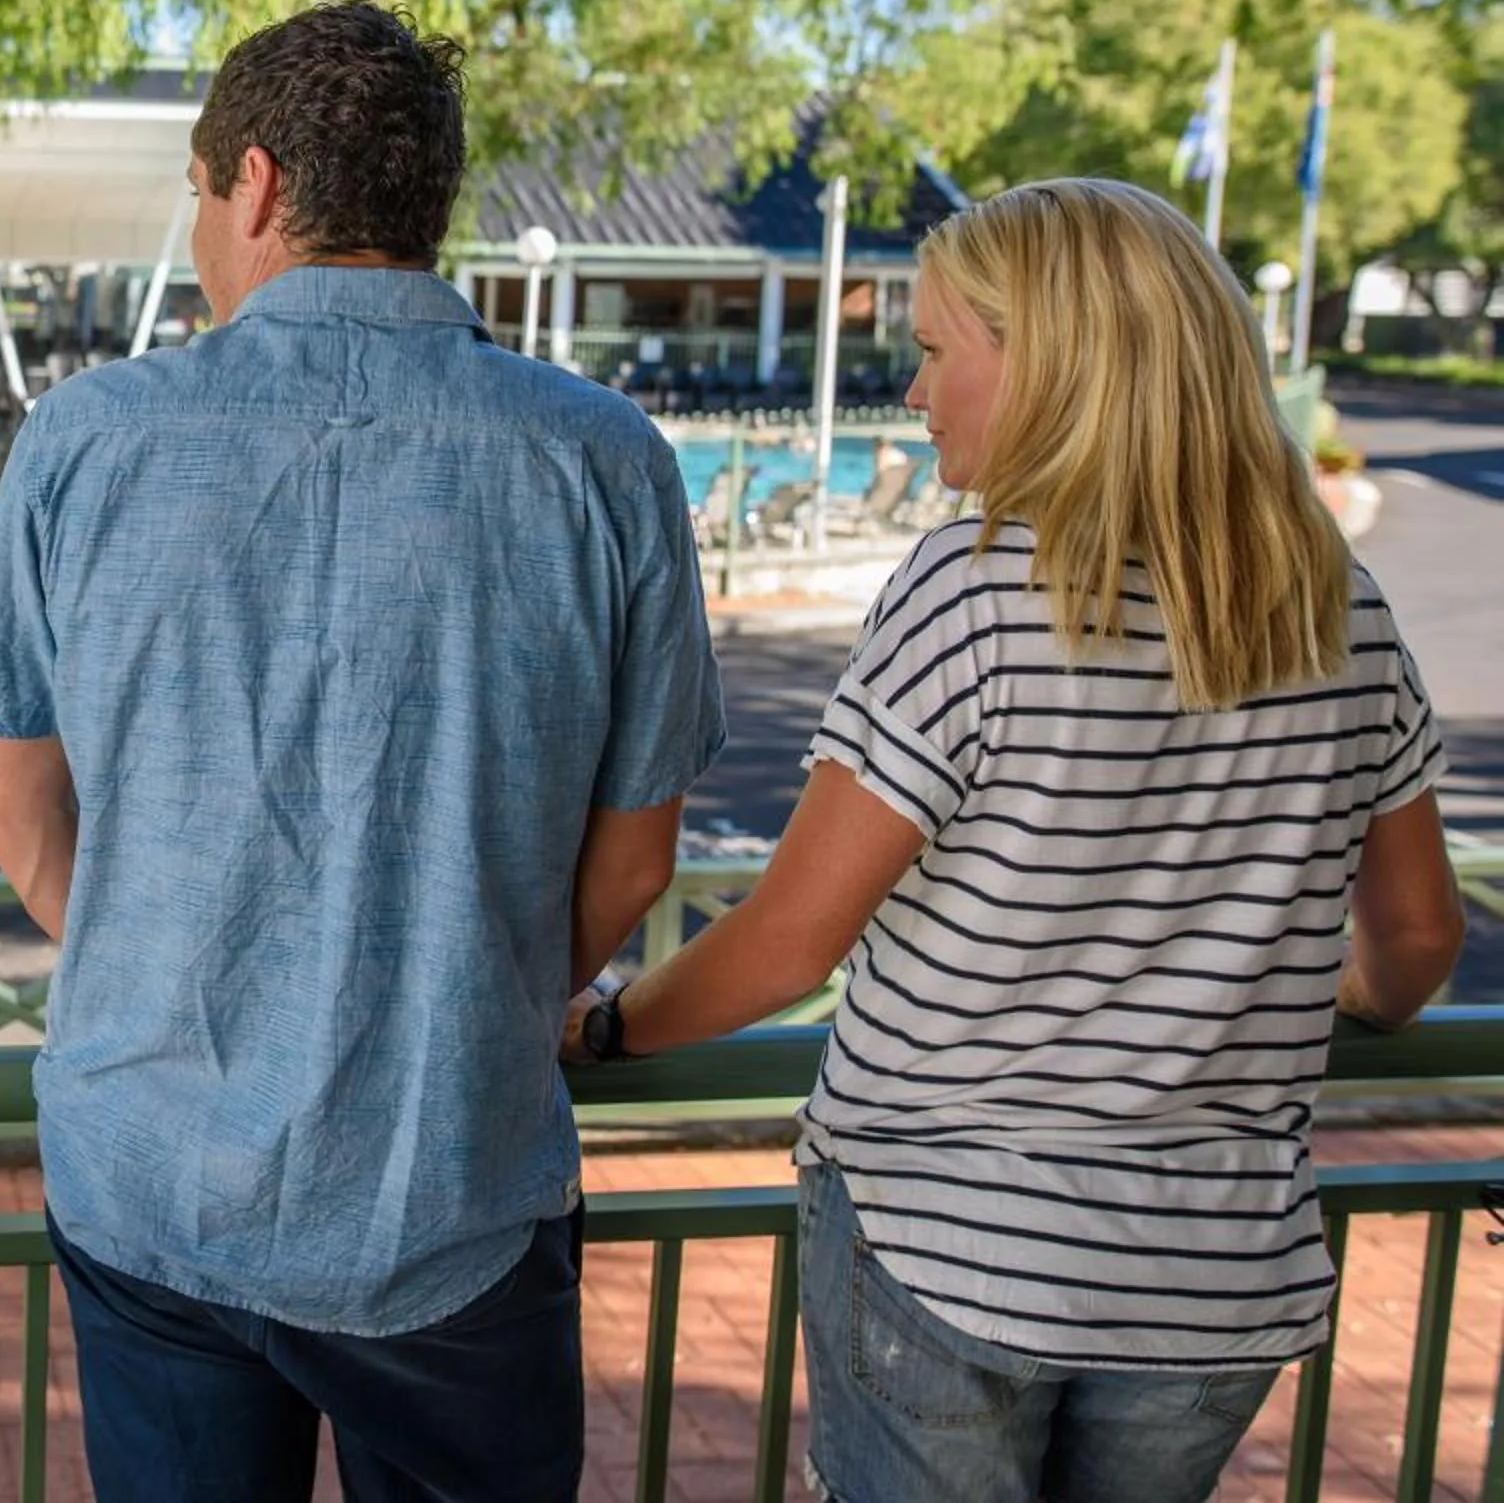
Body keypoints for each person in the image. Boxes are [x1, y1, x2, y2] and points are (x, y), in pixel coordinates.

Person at [564, 179, 1463, 1503]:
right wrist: (1318, 996)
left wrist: (607, 1028)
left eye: (936, 351)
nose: (915, 394)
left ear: (1053, 365)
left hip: (947, 1249)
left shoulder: (975, 590)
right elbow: (1421, 936)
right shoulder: (1338, 606)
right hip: (1210, 1278)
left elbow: (791, 943)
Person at [0, 1, 725, 1501]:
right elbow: (637, 860)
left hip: (153, 1183)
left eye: (198, 194)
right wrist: (468, 991)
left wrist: (167, 965)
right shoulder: (605, 457)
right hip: (453, 1188)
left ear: (252, 185)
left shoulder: (84, 440)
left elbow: (4, 799)